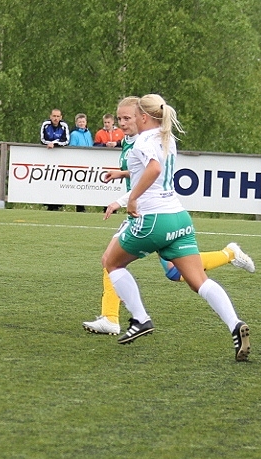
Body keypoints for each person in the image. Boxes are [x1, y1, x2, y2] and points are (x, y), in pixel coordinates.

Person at [96, 94, 250, 360]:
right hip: (179, 217)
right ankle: (235, 324)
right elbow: (152, 171)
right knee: (199, 282)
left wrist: (132, 199)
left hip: (154, 219)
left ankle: (140, 319)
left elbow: (154, 169)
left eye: (132, 116)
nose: (126, 121)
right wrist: (124, 181)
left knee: (112, 263)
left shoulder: (143, 140)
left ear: (144, 116)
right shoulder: (167, 137)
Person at [39, 108, 69, 211]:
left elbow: (66, 141)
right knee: (47, 178)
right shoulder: (45, 125)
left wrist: (55, 143)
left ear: (61, 117)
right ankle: (48, 203)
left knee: (59, 178)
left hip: (60, 157)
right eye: (54, 116)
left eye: (57, 116)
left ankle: (58, 204)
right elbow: (42, 139)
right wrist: (49, 143)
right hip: (46, 156)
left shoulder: (64, 126)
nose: (56, 118)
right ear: (50, 116)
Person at [68, 113, 93, 212]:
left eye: (83, 122)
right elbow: (72, 147)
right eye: (80, 122)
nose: (82, 124)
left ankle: (84, 204)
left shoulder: (88, 133)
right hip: (79, 161)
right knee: (79, 184)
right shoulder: (74, 134)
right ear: (76, 123)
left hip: (88, 160)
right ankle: (79, 206)